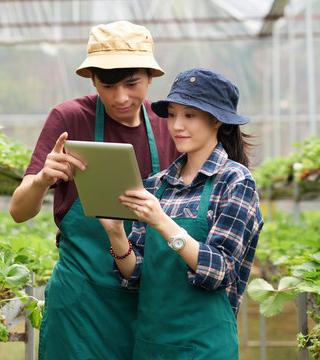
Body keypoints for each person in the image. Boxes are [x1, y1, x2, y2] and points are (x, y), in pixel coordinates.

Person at [9, 21, 180, 360]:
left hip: (148, 293)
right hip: (81, 299)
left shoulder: (168, 125)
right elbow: (18, 211)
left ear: (150, 76)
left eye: (132, 84)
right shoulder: (71, 118)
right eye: (107, 84)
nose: (120, 97)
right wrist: (43, 179)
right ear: (92, 80)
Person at [99, 67, 264, 359]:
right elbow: (135, 275)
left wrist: (161, 221)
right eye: (172, 114)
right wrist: (116, 233)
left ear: (216, 120)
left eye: (189, 115)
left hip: (205, 348)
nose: (176, 125)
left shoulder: (235, 182)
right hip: (151, 345)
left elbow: (219, 271)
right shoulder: (157, 184)